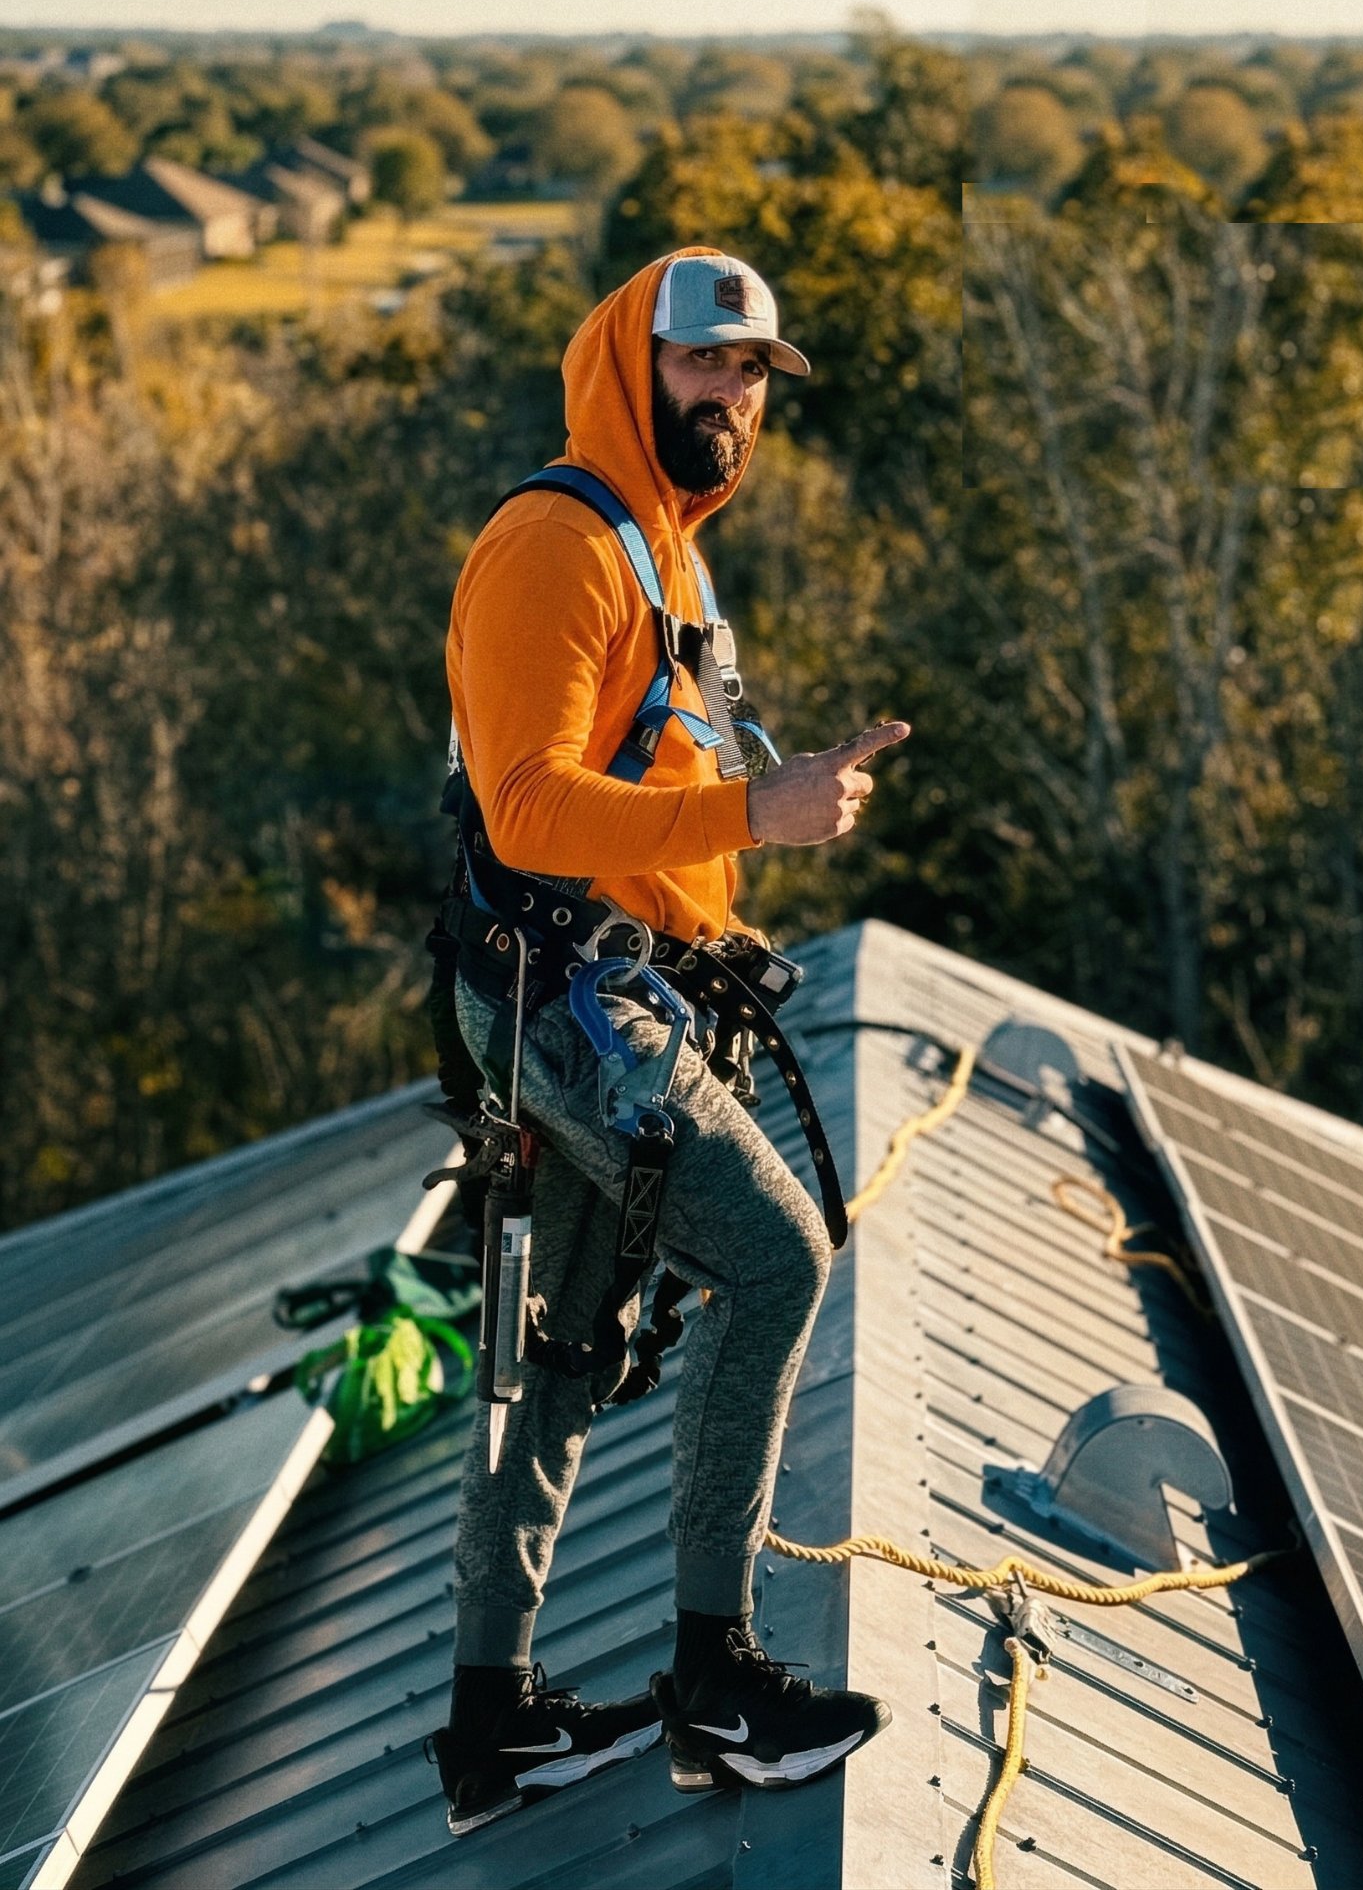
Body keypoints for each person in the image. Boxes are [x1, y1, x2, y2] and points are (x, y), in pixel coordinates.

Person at [426, 247, 910, 1835]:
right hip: (563, 1003)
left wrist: (723, 917)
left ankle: (493, 1723)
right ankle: (718, 1682)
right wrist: (757, 811)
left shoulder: (664, 559)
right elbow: (526, 804)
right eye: (705, 364)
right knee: (777, 1261)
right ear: (632, 362)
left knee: (559, 1354)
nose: (731, 396)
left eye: (754, 373)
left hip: (614, 986)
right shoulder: (555, 546)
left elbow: (638, 819)